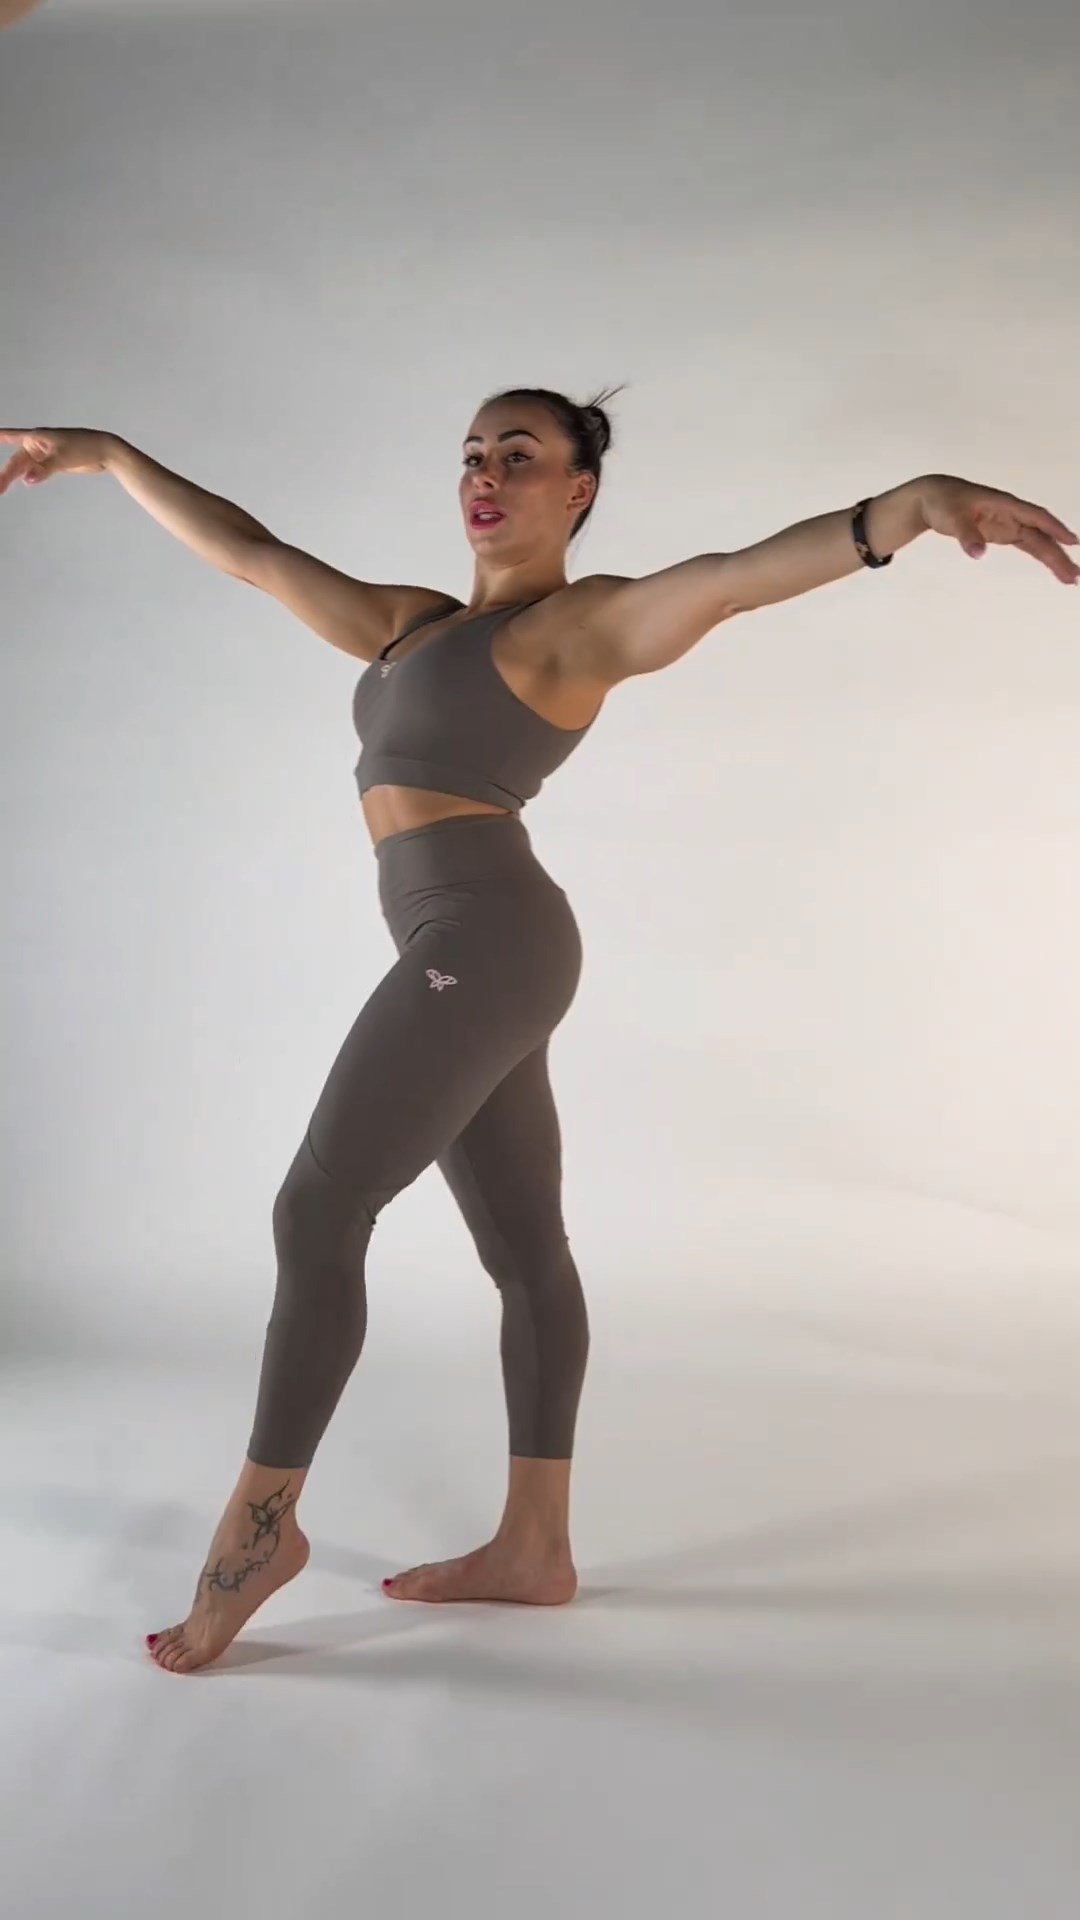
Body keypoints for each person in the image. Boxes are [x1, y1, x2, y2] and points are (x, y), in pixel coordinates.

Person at [2, 394, 1075, 1673]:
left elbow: (734, 579)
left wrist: (914, 506)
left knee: (317, 1209)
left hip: (488, 945)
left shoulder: (577, 626)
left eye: (521, 458)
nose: (487, 476)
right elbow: (252, 554)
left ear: (578, 493)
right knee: (522, 1253)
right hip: (474, 949)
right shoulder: (413, 625)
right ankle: (534, 1548)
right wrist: (107, 455)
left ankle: (255, 1537)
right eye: (472, 455)